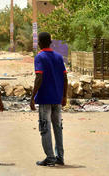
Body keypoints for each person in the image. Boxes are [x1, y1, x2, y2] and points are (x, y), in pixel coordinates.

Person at [30, 32, 68, 166]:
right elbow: (65, 78)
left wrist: (32, 97)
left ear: (39, 43)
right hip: (57, 98)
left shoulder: (40, 57)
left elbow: (39, 77)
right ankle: (60, 156)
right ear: (50, 42)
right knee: (58, 127)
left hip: (45, 98)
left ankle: (50, 157)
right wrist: (64, 96)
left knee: (45, 128)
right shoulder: (59, 57)